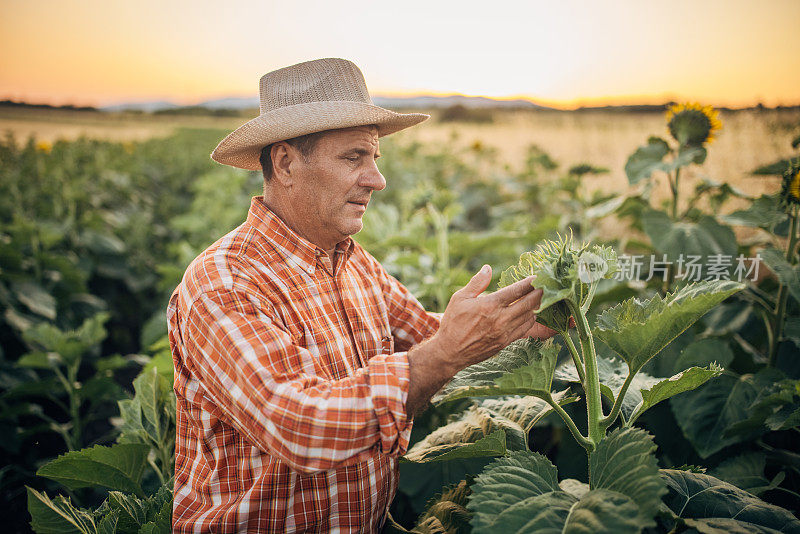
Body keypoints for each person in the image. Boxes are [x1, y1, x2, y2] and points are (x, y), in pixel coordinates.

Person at [167, 57, 554, 533]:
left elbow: (427, 332)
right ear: (286, 162)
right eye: (353, 157)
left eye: (374, 158)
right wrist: (444, 354)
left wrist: (529, 323)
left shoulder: (352, 261)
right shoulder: (223, 282)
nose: (377, 178)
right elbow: (299, 425)